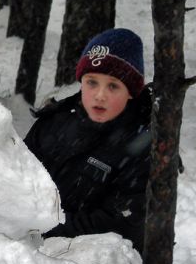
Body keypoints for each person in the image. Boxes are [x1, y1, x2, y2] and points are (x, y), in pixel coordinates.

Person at [24, 28, 151, 252]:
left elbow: (119, 223)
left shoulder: (140, 145)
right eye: (92, 82)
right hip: (26, 243)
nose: (100, 95)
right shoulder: (55, 120)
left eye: (113, 86)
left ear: (131, 92)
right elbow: (16, 172)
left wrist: (45, 228)